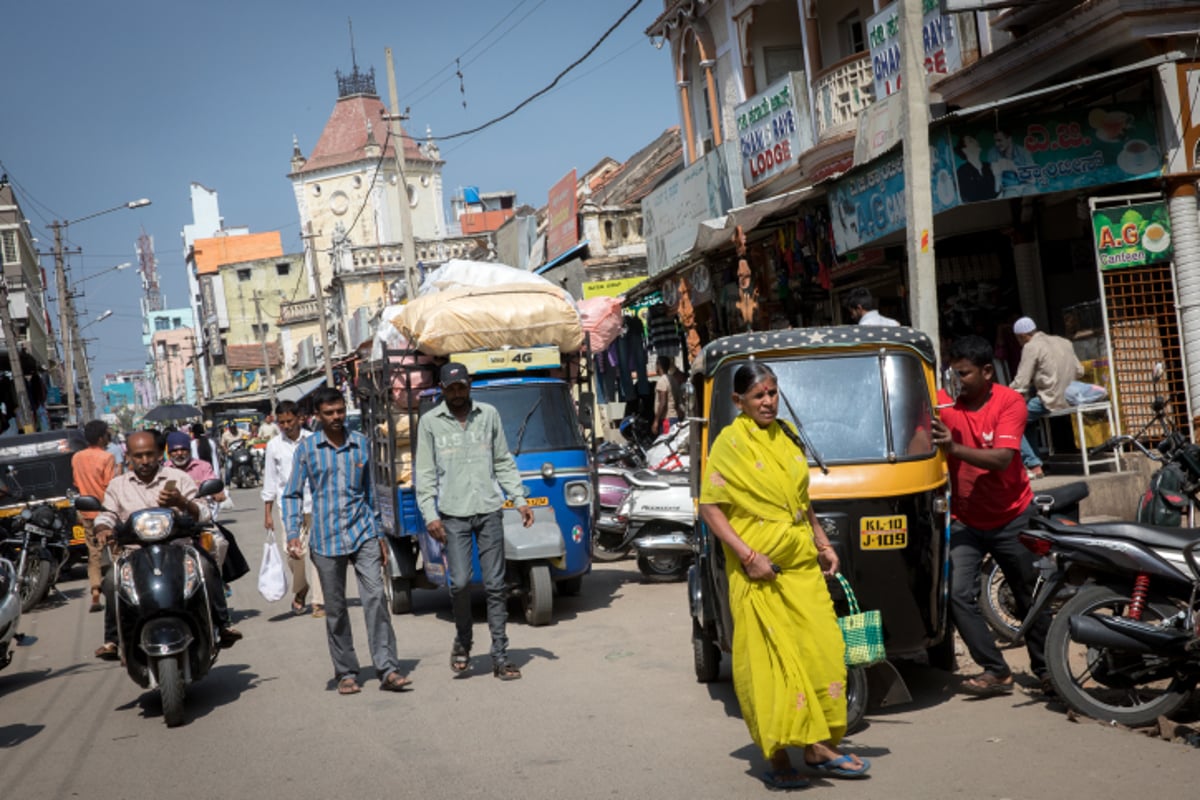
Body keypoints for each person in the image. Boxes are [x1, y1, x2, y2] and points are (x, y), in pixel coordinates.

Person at [697, 362, 869, 789]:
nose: (768, 402)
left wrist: (821, 542)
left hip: (800, 564)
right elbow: (710, 507)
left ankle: (817, 746)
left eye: (772, 393)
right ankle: (777, 755)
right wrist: (748, 555)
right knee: (771, 662)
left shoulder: (787, 434)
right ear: (739, 401)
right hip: (758, 571)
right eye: (758, 396)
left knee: (821, 648)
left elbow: (801, 497)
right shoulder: (729, 443)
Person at [931, 335, 1051, 696]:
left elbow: (1002, 459)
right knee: (957, 595)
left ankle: (1048, 670)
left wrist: (953, 447)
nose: (957, 381)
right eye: (953, 373)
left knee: (1028, 595)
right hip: (965, 520)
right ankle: (996, 669)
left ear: (987, 371)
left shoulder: (1010, 402)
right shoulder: (945, 403)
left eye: (964, 374)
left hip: (1014, 516)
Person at [282, 386, 409, 694]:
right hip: (326, 540)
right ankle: (346, 671)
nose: (337, 417)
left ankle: (388, 668)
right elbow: (292, 493)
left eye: (340, 410)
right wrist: (292, 534)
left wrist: (379, 534)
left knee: (376, 599)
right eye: (330, 413)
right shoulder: (307, 450)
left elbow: (371, 494)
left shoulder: (361, 444)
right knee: (336, 608)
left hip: (363, 531)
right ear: (317, 416)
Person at [415, 362, 533, 681]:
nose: (457, 393)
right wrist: (430, 514)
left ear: (469, 385)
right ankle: (464, 641)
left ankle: (500, 656)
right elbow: (424, 473)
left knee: (496, 585)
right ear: (442, 389)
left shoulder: (488, 415)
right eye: (450, 388)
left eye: (461, 387)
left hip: (489, 510)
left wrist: (519, 500)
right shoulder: (429, 423)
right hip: (453, 515)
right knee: (461, 583)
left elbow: (503, 461)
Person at [92, 431, 241, 660]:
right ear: (128, 456)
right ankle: (113, 639)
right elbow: (107, 514)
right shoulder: (117, 486)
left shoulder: (178, 478)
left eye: (149, 455)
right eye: (138, 456)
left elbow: (204, 512)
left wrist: (181, 502)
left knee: (206, 566)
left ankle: (223, 624)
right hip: (135, 554)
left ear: (160, 453)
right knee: (112, 579)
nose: (144, 461)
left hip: (179, 550)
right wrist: (102, 528)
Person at [261, 400, 322, 617]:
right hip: (288, 507)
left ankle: (319, 601)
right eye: (281, 422)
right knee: (294, 553)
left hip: (314, 503)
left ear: (299, 418)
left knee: (317, 551)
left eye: (289, 421)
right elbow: (270, 482)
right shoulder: (274, 446)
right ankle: (301, 587)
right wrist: (267, 513)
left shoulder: (313, 440)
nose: (285, 426)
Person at [1009, 316, 1084, 480]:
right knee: (1026, 421)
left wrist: (1004, 393)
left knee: (1011, 420)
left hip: (1050, 398)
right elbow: (1080, 371)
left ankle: (1033, 464)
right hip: (1071, 396)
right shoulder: (1064, 342)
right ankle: (1036, 462)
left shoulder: (1030, 347)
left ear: (1021, 336)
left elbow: (1021, 381)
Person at [71, 420, 117, 612]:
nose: (109, 438)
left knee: (94, 554)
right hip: (106, 511)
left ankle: (96, 592)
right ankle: (119, 586)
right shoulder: (107, 457)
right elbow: (111, 486)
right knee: (116, 551)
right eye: (107, 435)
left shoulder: (76, 458)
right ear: (100, 438)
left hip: (86, 512)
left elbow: (75, 482)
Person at [165, 431, 229, 565]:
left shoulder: (203, 466)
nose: (179, 453)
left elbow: (214, 486)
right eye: (175, 450)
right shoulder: (163, 470)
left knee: (219, 543)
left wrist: (216, 493)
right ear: (169, 452)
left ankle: (216, 580)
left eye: (183, 449)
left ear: (189, 449)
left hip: (198, 521)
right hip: (170, 523)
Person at [954, 134, 999, 203]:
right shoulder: (962, 172)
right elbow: (968, 198)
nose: (976, 141)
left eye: (975, 139)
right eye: (971, 141)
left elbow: (998, 190)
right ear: (964, 150)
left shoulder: (989, 166)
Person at [652, 356, 685, 435]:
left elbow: (663, 402)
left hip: (666, 420)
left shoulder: (662, 381)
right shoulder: (673, 379)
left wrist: (656, 421)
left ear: (658, 365)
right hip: (674, 418)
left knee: (665, 443)